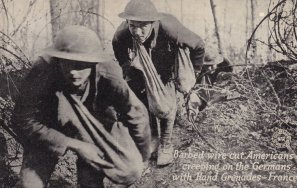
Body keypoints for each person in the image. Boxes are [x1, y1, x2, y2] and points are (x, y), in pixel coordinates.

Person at [12, 25, 151, 188]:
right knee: (29, 185)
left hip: (94, 126)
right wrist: (74, 144)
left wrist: (142, 156)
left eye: (81, 65)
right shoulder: (42, 70)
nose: (73, 72)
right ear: (58, 59)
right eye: (68, 64)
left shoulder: (108, 73)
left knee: (128, 169)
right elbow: (22, 119)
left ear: (93, 63)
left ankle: (90, 176)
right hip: (49, 125)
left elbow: (136, 113)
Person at [112, 0, 205, 166]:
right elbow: (117, 46)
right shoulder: (123, 33)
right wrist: (127, 67)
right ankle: (152, 137)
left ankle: (166, 144)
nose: (137, 31)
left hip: (167, 58)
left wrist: (193, 75)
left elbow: (198, 45)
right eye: (133, 25)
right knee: (140, 96)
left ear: (153, 23)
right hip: (142, 61)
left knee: (164, 100)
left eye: (143, 26)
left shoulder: (169, 28)